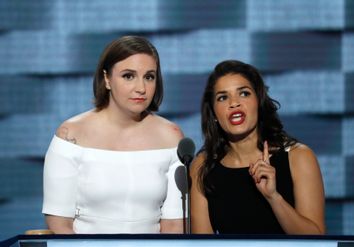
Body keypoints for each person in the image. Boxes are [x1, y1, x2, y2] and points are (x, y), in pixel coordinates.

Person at [42, 36, 184, 234]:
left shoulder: (171, 136)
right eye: (128, 76)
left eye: (149, 77)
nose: (141, 88)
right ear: (107, 79)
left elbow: (174, 225)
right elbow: (59, 224)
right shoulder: (70, 135)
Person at [190, 60, 325, 234]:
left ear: (259, 102)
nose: (234, 103)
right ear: (214, 114)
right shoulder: (202, 166)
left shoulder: (299, 157)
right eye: (223, 97)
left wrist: (274, 197)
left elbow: (316, 240)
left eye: (244, 93)